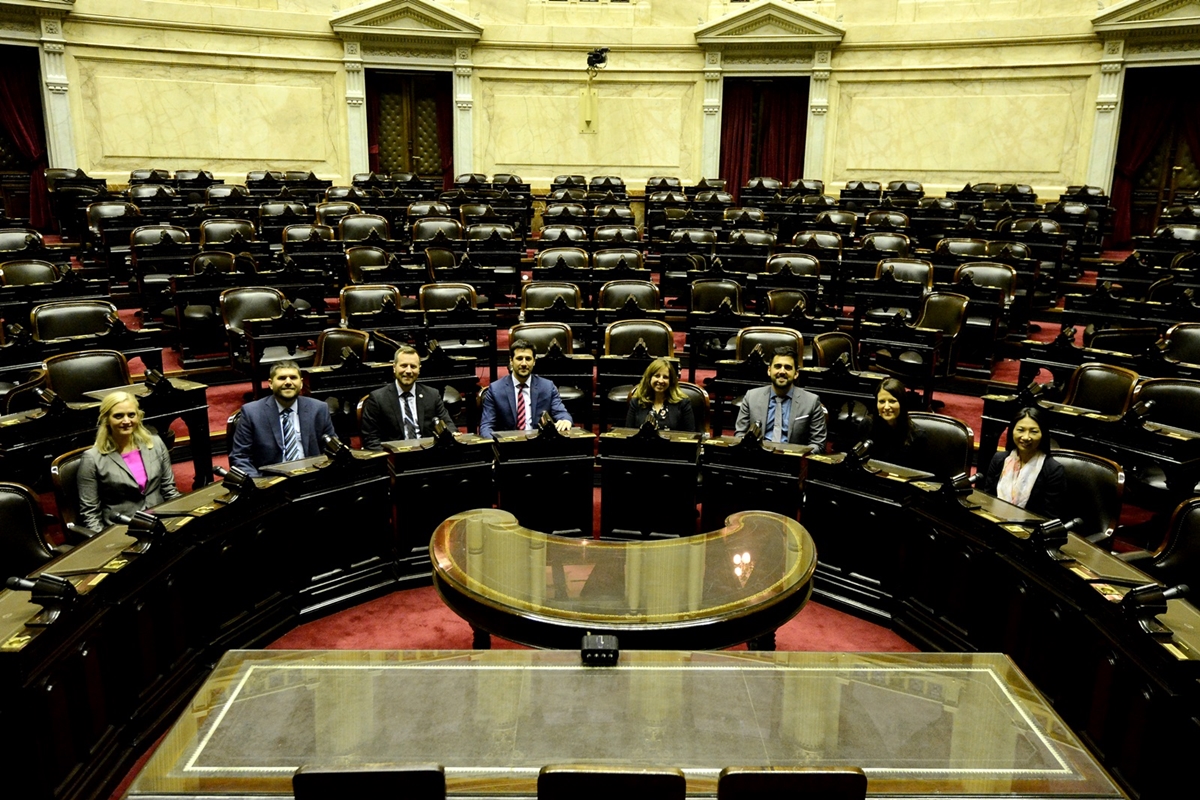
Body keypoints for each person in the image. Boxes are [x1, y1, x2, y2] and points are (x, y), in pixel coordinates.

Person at [78, 391, 181, 533]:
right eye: (118, 416)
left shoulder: (155, 444)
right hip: (124, 531)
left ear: (138, 416)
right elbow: (90, 513)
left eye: (131, 415)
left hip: (162, 523)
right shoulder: (92, 458)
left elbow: (169, 490)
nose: (126, 421)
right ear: (106, 419)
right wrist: (103, 543)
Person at [229, 360, 337, 477]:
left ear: (301, 383)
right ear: (270, 383)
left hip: (311, 478)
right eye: (281, 378)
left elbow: (332, 450)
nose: (288, 382)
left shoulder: (318, 409)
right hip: (270, 484)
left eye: (293, 377)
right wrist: (259, 485)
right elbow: (240, 457)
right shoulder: (252, 413)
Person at [360, 346, 455, 449]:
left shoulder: (432, 395)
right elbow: (370, 439)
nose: (408, 371)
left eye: (413, 366)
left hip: (428, 453)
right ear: (394, 367)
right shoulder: (378, 399)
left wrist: (453, 433)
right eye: (404, 366)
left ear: (419, 369)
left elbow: (447, 423)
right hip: (395, 457)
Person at [734, 346, 826, 449]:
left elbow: (818, 444)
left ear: (796, 373)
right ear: (769, 370)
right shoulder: (751, 397)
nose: (782, 371)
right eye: (778, 366)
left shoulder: (811, 402)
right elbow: (740, 435)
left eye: (788, 367)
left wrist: (801, 457)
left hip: (793, 460)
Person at [982, 406, 1065, 519]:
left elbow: (1049, 517)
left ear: (1043, 434)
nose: (1026, 437)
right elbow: (987, 500)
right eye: (1020, 430)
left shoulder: (1053, 470)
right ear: (1012, 431)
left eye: (1033, 432)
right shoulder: (999, 459)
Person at [479, 339, 572, 438]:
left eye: (528, 359)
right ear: (511, 360)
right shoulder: (496, 389)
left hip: (539, 445)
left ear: (534, 361)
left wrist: (565, 420)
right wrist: (497, 444)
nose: (524, 364)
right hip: (508, 447)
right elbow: (486, 426)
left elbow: (562, 413)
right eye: (519, 358)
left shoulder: (547, 387)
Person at [866, 378, 927, 467]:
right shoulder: (867, 425)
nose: (886, 407)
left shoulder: (917, 435)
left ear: (902, 403)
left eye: (892, 401)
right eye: (882, 401)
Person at [625, 357, 696, 431]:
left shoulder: (683, 403)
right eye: (657, 376)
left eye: (665, 377)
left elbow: (690, 435)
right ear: (649, 378)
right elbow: (628, 432)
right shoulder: (636, 401)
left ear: (671, 381)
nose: (661, 381)